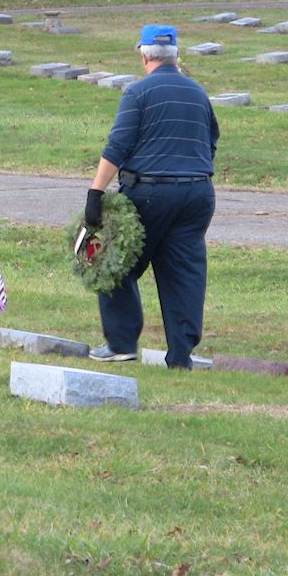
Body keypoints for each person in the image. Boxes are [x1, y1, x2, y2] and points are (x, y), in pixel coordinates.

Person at [83, 24, 218, 369]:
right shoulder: (198, 93)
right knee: (183, 272)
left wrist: (95, 193)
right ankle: (180, 355)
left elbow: (118, 146)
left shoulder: (138, 93)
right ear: (177, 56)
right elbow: (211, 141)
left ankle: (121, 342)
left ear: (143, 55)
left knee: (110, 259)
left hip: (151, 192)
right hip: (198, 193)